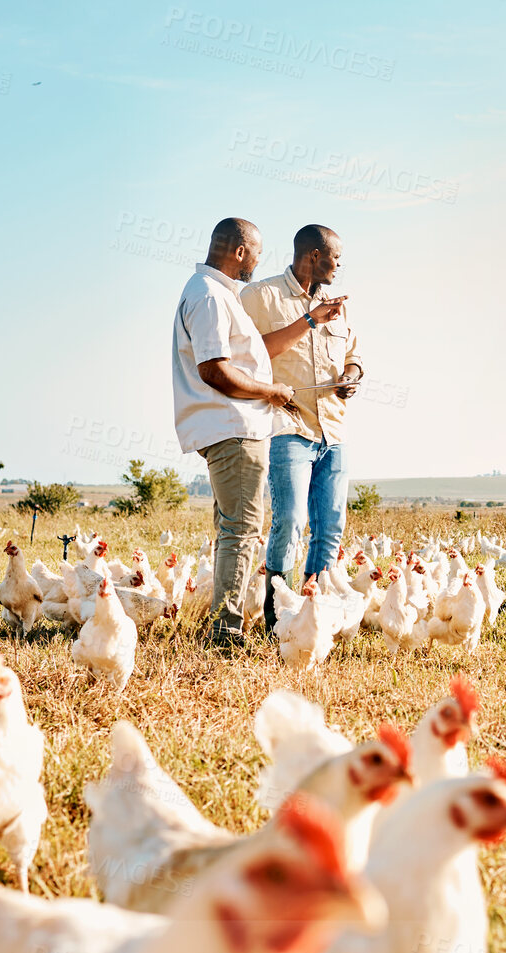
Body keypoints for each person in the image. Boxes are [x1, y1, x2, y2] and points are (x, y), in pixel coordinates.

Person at [170, 217, 344, 647]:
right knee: (243, 530)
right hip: (234, 426)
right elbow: (214, 370)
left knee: (234, 528)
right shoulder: (211, 296)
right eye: (258, 254)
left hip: (231, 426)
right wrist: (272, 390)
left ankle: (225, 625)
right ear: (240, 252)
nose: (259, 263)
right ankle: (226, 633)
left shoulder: (212, 294)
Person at [241, 224, 363, 636]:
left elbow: (354, 353)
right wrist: (310, 319)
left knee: (330, 527)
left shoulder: (339, 304)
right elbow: (250, 355)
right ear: (313, 255)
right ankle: (278, 617)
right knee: (290, 521)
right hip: (287, 428)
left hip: (334, 430)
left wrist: (351, 374)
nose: (340, 265)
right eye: (335, 257)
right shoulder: (261, 296)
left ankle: (317, 617)